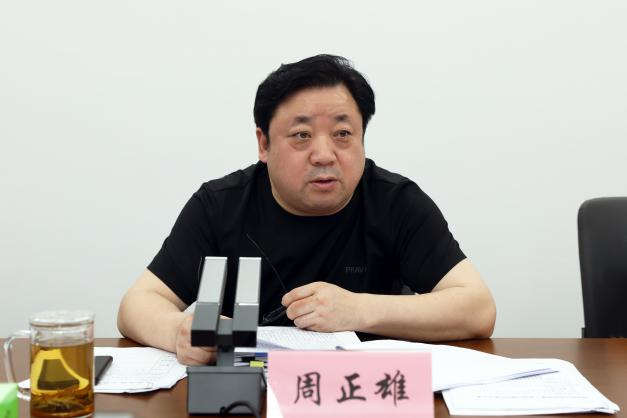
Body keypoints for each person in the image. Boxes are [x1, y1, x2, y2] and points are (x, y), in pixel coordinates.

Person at [117, 54, 496, 366]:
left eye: (343, 134)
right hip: (250, 395)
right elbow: (137, 304)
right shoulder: (220, 205)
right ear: (263, 144)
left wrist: (357, 310)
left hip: (365, 396)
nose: (324, 154)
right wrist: (179, 331)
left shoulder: (396, 202)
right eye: (301, 135)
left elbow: (477, 309)